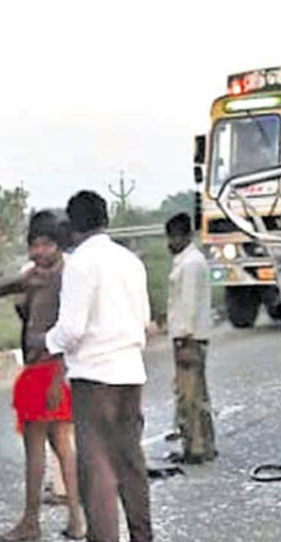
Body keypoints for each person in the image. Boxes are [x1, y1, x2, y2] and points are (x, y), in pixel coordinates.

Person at [42, 191, 152, 542]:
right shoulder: (130, 261)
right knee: (131, 463)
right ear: (105, 219)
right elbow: (145, 318)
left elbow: (72, 329)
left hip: (94, 377)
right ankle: (142, 535)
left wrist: (49, 341)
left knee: (98, 468)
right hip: (131, 373)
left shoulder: (80, 263)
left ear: (72, 226)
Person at [0, 212, 84, 542]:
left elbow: (70, 331)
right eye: (34, 245)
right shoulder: (35, 276)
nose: (38, 251)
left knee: (36, 451)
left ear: (58, 245)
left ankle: (31, 522)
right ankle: (76, 520)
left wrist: (56, 379)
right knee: (62, 448)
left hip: (48, 372)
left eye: (45, 245)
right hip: (46, 371)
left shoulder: (65, 277)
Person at [165, 212, 216, 464]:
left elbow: (188, 303)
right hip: (193, 336)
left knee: (189, 396)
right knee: (198, 394)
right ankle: (205, 444)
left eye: (172, 238)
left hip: (189, 338)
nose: (169, 244)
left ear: (183, 236)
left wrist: (183, 336)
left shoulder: (190, 264)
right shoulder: (189, 261)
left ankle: (194, 447)